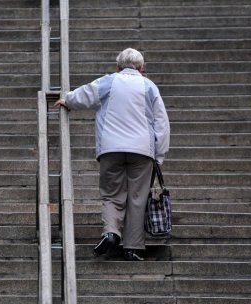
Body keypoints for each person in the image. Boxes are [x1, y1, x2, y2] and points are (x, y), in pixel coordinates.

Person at [53, 48, 170, 261]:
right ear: (142, 68)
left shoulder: (108, 82)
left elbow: (85, 94)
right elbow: (161, 123)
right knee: (137, 197)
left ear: (118, 67)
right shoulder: (149, 86)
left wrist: (67, 100)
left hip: (111, 148)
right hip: (142, 151)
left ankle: (111, 232)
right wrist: (159, 155)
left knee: (111, 193)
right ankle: (132, 248)